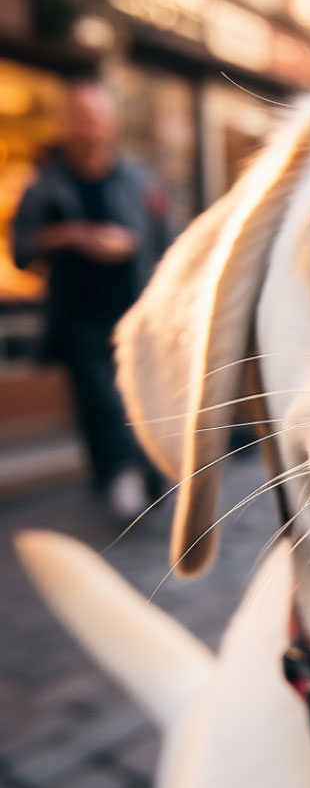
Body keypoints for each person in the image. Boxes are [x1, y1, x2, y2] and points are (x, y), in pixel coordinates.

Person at [12, 76, 173, 519]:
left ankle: (147, 473)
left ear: (112, 125)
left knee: (140, 398)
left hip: (135, 315)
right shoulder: (44, 185)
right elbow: (21, 251)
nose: (90, 132)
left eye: (97, 122)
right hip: (78, 317)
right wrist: (71, 236)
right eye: (82, 122)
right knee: (100, 403)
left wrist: (131, 246)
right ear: (67, 125)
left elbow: (166, 243)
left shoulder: (138, 180)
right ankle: (119, 475)